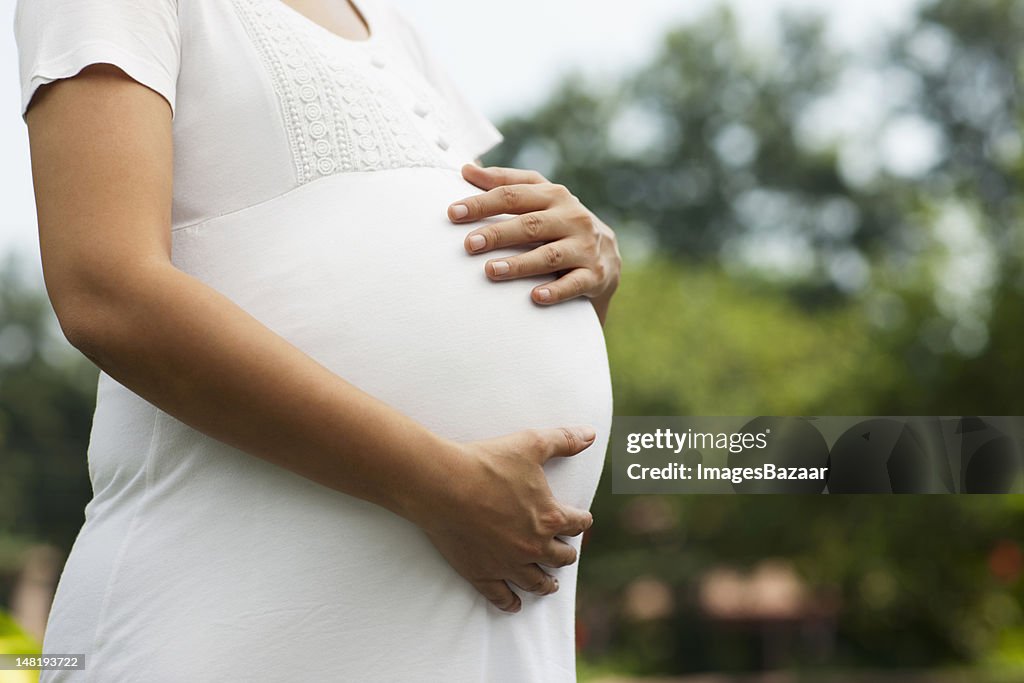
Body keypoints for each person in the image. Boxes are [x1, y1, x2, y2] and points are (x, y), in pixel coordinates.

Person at [15, 0, 621, 680]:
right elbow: (106, 291)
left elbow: (475, 317)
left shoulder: (393, 29)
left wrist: (580, 267)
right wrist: (435, 483)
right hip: (229, 623)